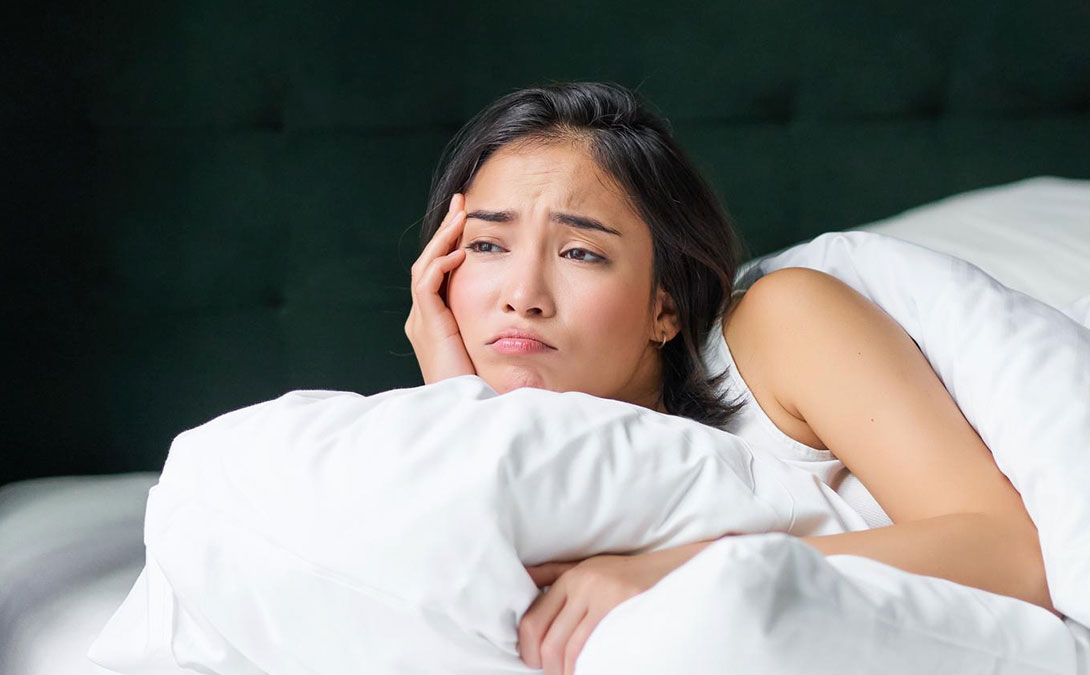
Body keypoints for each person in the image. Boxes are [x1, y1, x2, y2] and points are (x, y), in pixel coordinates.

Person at [405, 81, 1055, 675]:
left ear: (666, 305)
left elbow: (1013, 553)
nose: (522, 294)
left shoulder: (778, 323)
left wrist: (679, 573)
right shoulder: (443, 439)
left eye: (581, 251)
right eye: (488, 245)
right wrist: (459, 409)